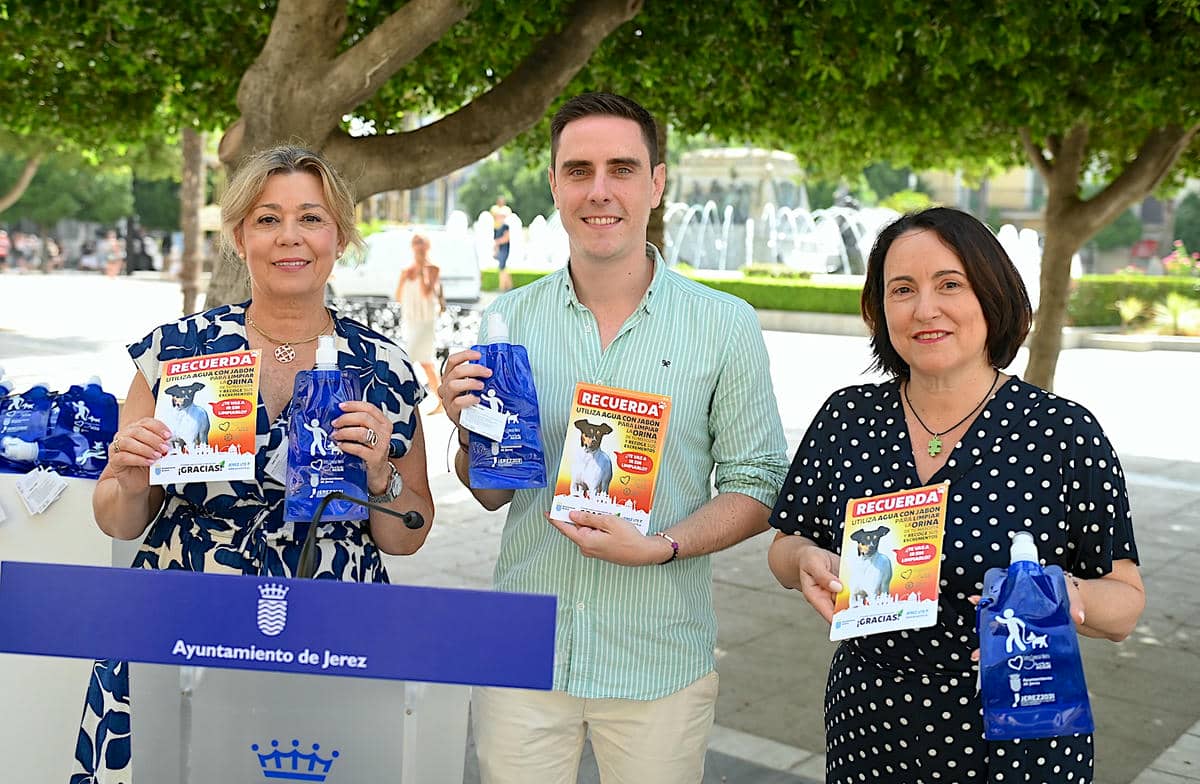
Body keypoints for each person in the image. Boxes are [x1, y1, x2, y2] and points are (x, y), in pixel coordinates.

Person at [437, 92, 789, 784]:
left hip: (657, 655)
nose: (599, 191)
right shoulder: (507, 318)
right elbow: (491, 494)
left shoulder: (724, 325)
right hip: (523, 650)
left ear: (657, 183)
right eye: (579, 171)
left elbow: (758, 483)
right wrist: (467, 430)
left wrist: (663, 546)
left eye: (622, 169)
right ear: (555, 185)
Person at [71, 145, 436, 780]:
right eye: (267, 219)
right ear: (239, 236)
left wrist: (380, 477)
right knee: (176, 766)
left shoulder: (386, 369)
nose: (289, 237)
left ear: (341, 235)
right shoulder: (176, 353)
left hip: (331, 620)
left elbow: (409, 534)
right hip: (185, 614)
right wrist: (128, 477)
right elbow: (118, 521)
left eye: (312, 218)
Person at [766, 207, 1145, 783]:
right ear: (879, 309)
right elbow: (787, 543)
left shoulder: (1064, 434)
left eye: (950, 284)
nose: (925, 309)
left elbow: (1125, 605)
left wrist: (1061, 598)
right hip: (870, 725)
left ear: (991, 296)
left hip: (1021, 734)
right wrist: (802, 561)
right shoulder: (848, 418)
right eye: (902, 289)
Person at [394, 231, 444, 413]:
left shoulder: (433, 268)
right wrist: (405, 277)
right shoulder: (406, 270)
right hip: (412, 320)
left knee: (409, 357)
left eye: (421, 245)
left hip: (426, 321)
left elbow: (426, 292)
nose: (419, 249)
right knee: (426, 362)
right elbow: (398, 296)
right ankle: (440, 400)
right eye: (416, 244)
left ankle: (404, 398)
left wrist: (423, 270)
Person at [490, 195, 512, 291]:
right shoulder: (498, 226)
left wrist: (497, 242)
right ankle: (507, 286)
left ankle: (503, 287)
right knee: (502, 267)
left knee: (502, 267)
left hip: (504, 248)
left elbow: (506, 238)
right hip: (501, 247)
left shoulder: (505, 225)